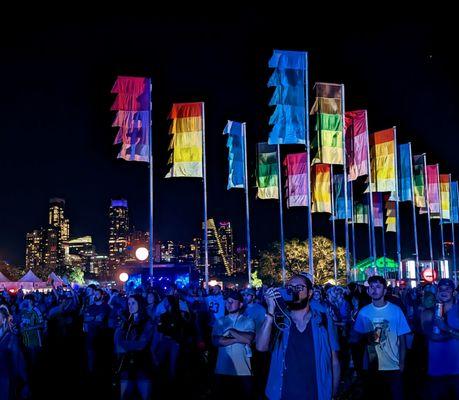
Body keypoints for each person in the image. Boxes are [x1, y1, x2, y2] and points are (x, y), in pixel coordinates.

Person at [257, 274, 340, 400]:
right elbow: (261, 347)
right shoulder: (279, 321)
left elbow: (334, 361)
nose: (293, 290)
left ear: (310, 293)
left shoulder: (323, 319)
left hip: (317, 393)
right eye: (289, 287)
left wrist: (333, 393)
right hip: (283, 394)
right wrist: (270, 310)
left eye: (299, 287)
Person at [353, 276, 410, 400]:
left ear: (385, 291)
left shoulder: (396, 311)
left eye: (378, 287)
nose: (374, 290)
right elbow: (356, 338)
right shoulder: (363, 312)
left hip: (393, 365)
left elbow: (402, 340)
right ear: (368, 291)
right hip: (372, 366)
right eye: (371, 287)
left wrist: (402, 363)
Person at [212, 290, 255, 399]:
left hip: (243, 371)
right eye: (227, 302)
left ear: (240, 304)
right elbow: (216, 341)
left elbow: (249, 339)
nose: (228, 304)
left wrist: (231, 331)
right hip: (222, 370)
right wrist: (238, 339)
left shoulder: (248, 321)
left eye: (232, 302)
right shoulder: (220, 321)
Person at [421, 278, 459, 399]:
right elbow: (432, 336)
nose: (444, 291)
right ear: (437, 292)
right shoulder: (428, 312)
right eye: (441, 289)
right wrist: (454, 334)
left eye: (447, 289)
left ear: (453, 292)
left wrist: (446, 328)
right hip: (436, 370)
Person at [115, 294, 155, 400]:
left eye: (133, 303)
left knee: (144, 395)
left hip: (142, 362)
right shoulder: (127, 322)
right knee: (124, 394)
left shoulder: (147, 321)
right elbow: (118, 340)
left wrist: (123, 344)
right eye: (128, 304)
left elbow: (141, 344)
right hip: (127, 362)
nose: (130, 306)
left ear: (140, 304)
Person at [0, 306, 28, 399]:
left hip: (6, 380)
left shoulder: (11, 339)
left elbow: (19, 364)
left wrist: (25, 383)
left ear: (4, 320)